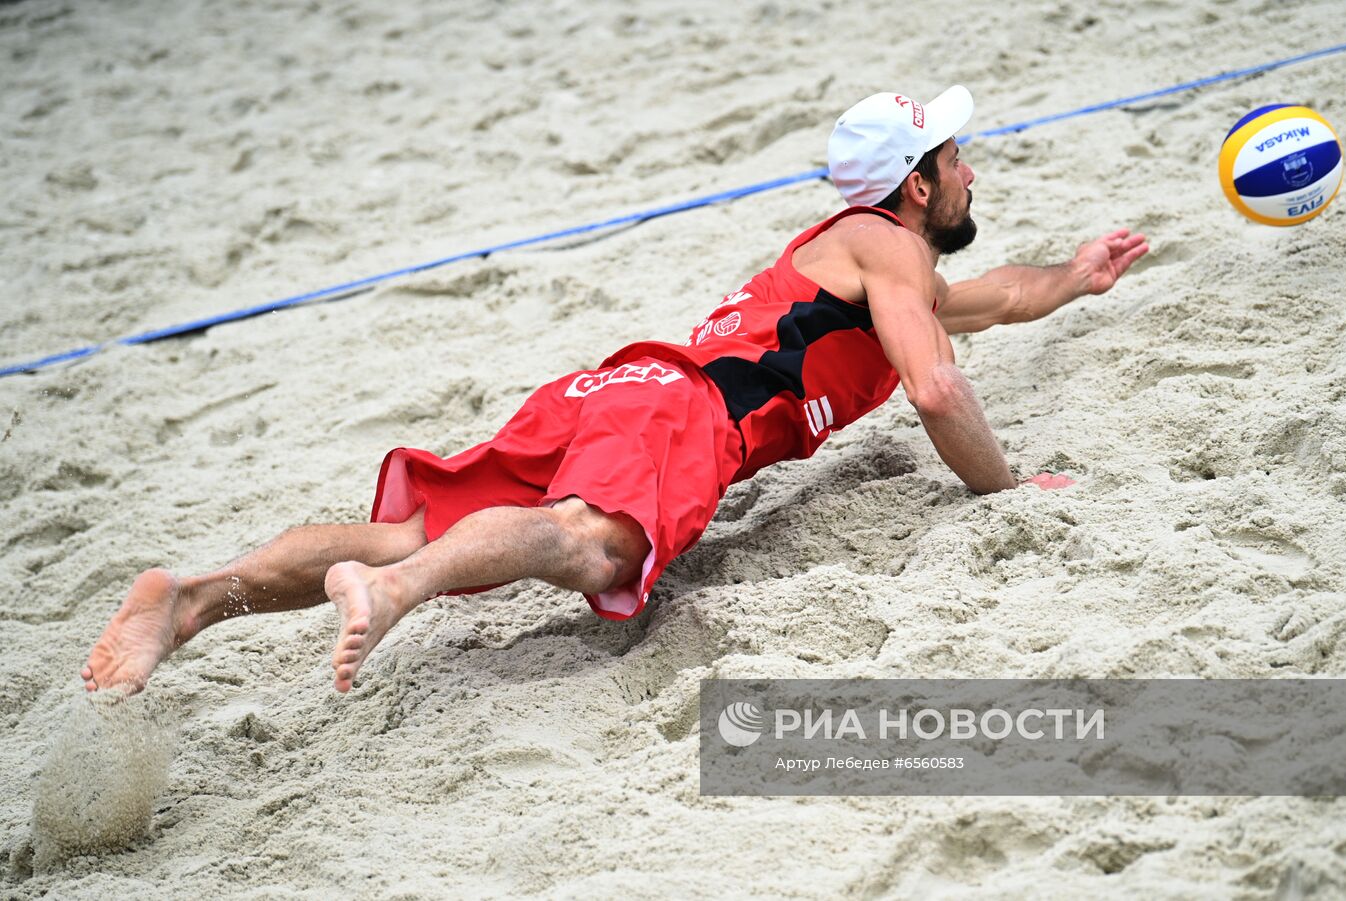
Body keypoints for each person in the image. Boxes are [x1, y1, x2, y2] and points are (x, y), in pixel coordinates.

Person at [82, 86, 1148, 694]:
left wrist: (1073, 277)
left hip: (618, 384)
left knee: (413, 533)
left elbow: (982, 302)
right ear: (917, 183)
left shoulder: (873, 263)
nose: (974, 172)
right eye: (959, 159)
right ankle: (393, 600)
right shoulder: (891, 255)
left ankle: (192, 601)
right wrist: (1004, 487)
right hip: (685, 416)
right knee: (594, 544)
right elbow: (935, 387)